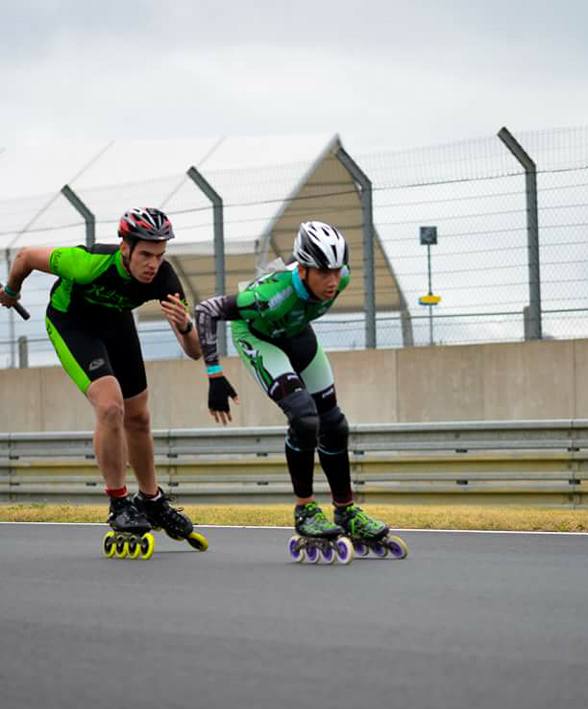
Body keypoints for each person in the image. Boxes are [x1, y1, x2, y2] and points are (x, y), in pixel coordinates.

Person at [0, 207, 202, 540]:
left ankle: (151, 500)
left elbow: (194, 351)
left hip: (115, 324)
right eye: (146, 255)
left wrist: (185, 324)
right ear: (125, 248)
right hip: (72, 324)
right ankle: (119, 503)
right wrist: (11, 290)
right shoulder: (87, 262)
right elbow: (25, 256)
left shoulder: (165, 278)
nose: (153, 264)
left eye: (160, 255)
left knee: (138, 417)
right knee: (110, 406)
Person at [194, 220, 390, 543]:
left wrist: (332, 275)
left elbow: (323, 287)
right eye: (323, 272)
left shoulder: (341, 279)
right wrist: (214, 374)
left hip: (296, 332)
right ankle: (305, 510)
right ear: (302, 271)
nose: (332, 280)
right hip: (259, 338)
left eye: (337, 271)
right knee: (304, 417)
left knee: (334, 423)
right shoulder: (270, 295)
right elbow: (206, 310)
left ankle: (345, 511)